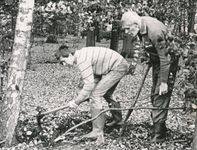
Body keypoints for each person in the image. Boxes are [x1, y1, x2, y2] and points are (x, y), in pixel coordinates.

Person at [121, 11, 179, 142]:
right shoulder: (141, 27)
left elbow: (166, 58)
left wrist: (164, 81)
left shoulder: (155, 32)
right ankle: (159, 127)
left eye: (127, 29)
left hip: (167, 63)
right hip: (157, 61)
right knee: (154, 93)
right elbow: (148, 47)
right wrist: (149, 57)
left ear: (135, 24)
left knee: (161, 94)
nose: (126, 32)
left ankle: (159, 135)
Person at [55, 45, 130, 140]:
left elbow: (89, 85)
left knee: (95, 95)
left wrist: (76, 102)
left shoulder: (82, 60)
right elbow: (95, 77)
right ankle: (118, 121)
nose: (64, 65)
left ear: (70, 55)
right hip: (118, 65)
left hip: (118, 66)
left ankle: (97, 131)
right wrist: (84, 97)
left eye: (63, 61)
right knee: (106, 93)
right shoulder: (82, 53)